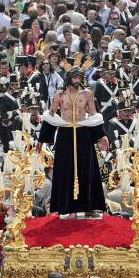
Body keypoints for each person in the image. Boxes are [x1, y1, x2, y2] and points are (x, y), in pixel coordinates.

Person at [38, 66, 108, 217]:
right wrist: (42, 139)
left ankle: (89, 207)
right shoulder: (59, 94)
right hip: (65, 133)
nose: (78, 80)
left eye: (80, 77)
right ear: (69, 77)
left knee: (87, 169)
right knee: (65, 169)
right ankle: (69, 209)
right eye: (75, 77)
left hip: (84, 133)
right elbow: (50, 116)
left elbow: (94, 115)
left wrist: (102, 134)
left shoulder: (87, 94)